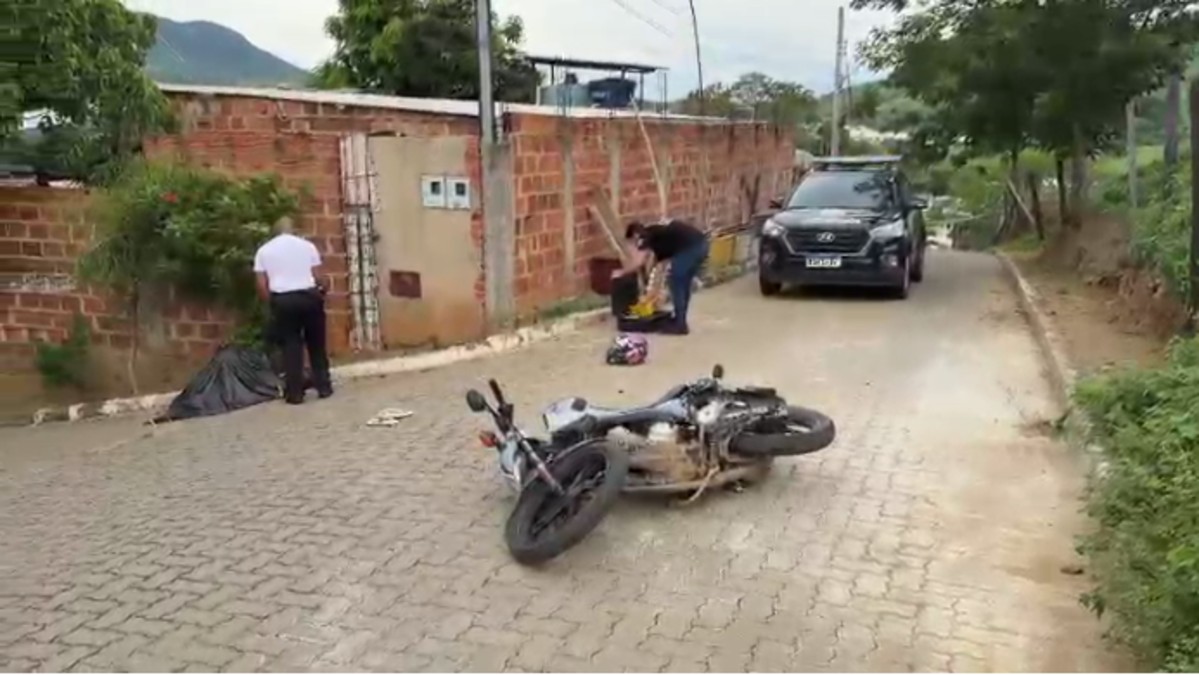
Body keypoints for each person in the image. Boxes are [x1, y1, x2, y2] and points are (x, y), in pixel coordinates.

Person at [253, 217, 332, 404]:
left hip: (283, 299)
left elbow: (261, 284)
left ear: (275, 231)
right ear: (293, 230)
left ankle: (295, 393)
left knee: (291, 345)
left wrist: (272, 303)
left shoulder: (264, 251)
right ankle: (324, 387)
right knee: (316, 343)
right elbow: (319, 277)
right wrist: (322, 292)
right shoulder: (307, 246)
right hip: (309, 296)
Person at [613, 219, 710, 335]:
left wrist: (621, 272)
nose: (635, 246)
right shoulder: (657, 236)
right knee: (683, 283)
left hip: (691, 248)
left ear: (635, 235)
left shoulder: (645, 236)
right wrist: (651, 288)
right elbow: (656, 265)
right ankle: (680, 320)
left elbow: (639, 262)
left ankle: (680, 325)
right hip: (701, 244)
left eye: (633, 242)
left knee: (676, 281)